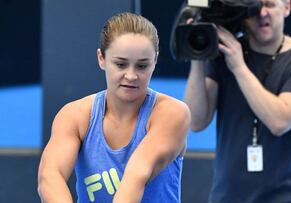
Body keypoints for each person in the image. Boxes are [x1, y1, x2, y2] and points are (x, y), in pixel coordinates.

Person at [38, 12, 190, 203]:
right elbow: (51, 176)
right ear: (101, 58)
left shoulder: (173, 113)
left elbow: (137, 175)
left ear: (155, 61)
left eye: (142, 66)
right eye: (121, 64)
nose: (131, 75)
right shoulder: (75, 116)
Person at [184, 0, 291, 202]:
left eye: (269, 4)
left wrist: (239, 67)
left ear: (287, 7)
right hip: (226, 196)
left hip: (283, 197)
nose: (262, 13)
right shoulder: (224, 52)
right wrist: (197, 54)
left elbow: (279, 121)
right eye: (254, 7)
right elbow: (196, 121)